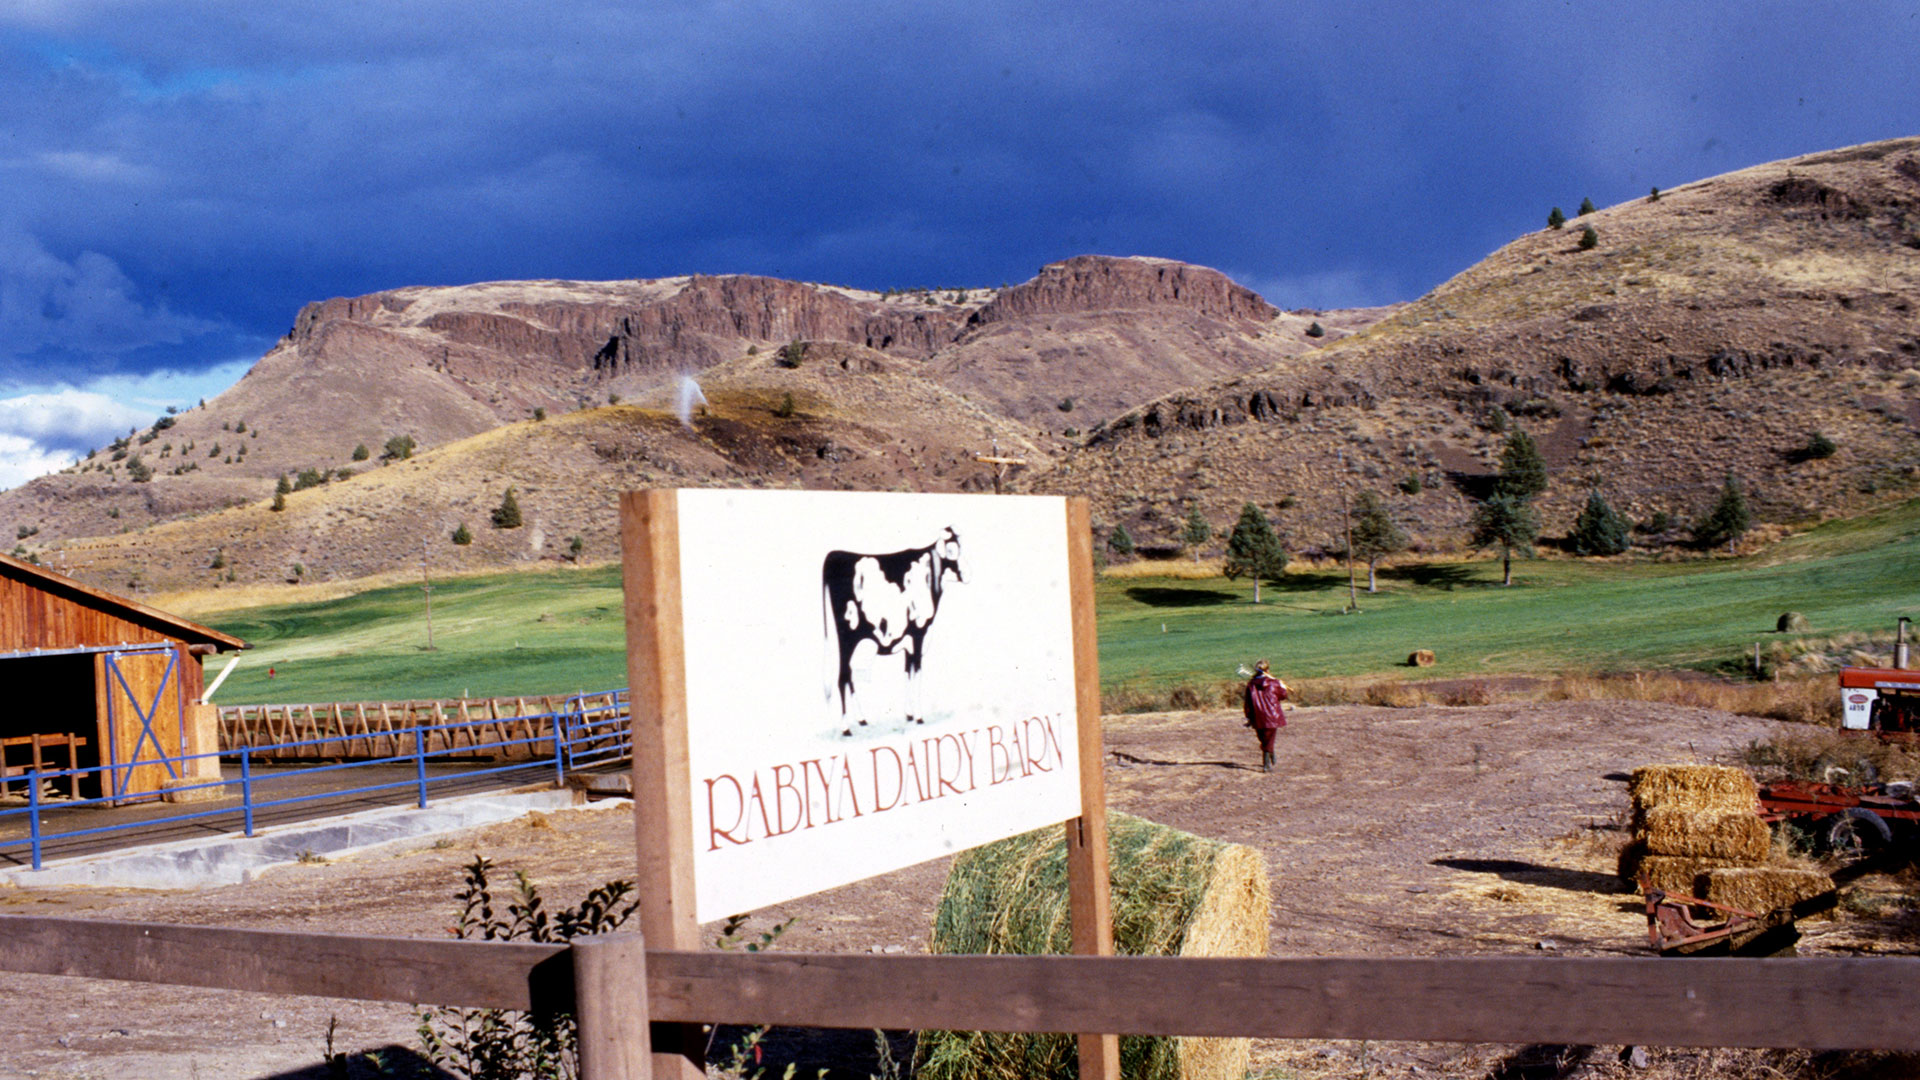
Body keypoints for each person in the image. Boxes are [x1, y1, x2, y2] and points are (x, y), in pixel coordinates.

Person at [1243, 659, 1289, 773]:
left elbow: (1247, 703)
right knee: (1267, 739)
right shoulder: (1274, 683)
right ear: (1267, 670)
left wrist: (1249, 717)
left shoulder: (1251, 685)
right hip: (1272, 716)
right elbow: (1283, 696)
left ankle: (1267, 763)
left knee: (1266, 739)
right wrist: (1282, 686)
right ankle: (1269, 757)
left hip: (1257, 716)